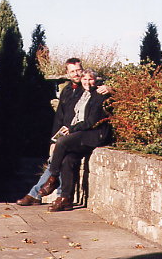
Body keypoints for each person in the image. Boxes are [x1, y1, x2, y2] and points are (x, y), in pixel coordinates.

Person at [16, 58, 111, 206]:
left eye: (79, 70)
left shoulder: (89, 87)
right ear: (67, 73)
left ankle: (38, 193)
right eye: (73, 71)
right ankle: (53, 196)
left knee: (59, 155)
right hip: (67, 132)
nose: (77, 74)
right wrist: (53, 140)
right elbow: (59, 118)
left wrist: (110, 88)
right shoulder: (67, 90)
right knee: (60, 156)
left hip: (80, 132)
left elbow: (102, 89)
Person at [38, 69, 112, 212]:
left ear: (96, 80)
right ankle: (66, 199)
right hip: (80, 133)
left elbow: (91, 121)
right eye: (85, 79)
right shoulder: (82, 93)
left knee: (62, 142)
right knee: (68, 160)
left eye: (90, 79)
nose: (87, 82)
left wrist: (71, 129)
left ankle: (52, 178)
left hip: (94, 134)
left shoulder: (100, 95)